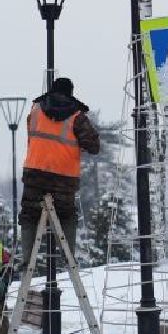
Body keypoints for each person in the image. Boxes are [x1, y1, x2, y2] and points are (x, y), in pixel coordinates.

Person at [16, 77, 101, 270]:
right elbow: (94, 146)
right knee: (67, 216)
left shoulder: (35, 110)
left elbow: (32, 134)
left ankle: (27, 259)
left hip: (34, 175)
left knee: (29, 216)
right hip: (64, 179)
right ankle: (68, 257)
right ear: (71, 92)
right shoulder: (77, 116)